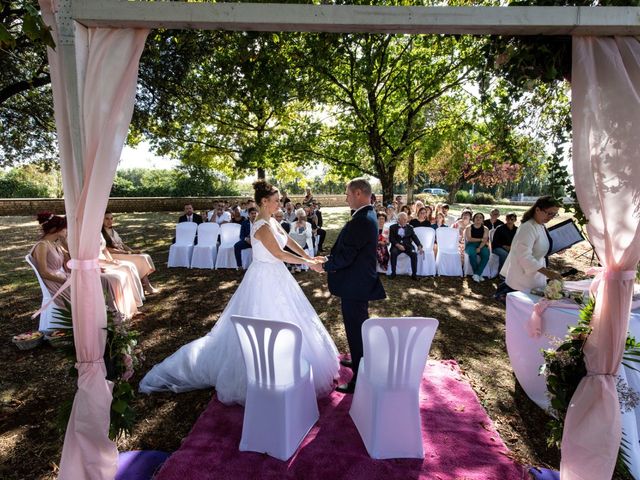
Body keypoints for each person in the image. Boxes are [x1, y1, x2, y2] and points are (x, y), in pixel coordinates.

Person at [140, 180, 339, 405]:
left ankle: (284, 362)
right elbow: (279, 253)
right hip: (264, 277)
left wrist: (309, 256)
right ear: (264, 202)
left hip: (278, 276)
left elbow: (289, 241)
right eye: (275, 201)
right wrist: (309, 264)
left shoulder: (271, 221)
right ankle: (262, 370)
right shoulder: (261, 226)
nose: (280, 205)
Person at [310, 178, 386, 394]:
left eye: (347, 194)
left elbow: (347, 256)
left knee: (356, 329)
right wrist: (326, 259)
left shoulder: (362, 219)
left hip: (355, 284)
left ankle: (359, 378)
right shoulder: (366, 215)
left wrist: (324, 267)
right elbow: (348, 249)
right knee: (358, 328)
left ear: (360, 194)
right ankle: (359, 358)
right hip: (358, 282)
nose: (345, 198)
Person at [497, 196, 562, 298]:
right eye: (549, 213)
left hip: (534, 276)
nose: (551, 217)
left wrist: (557, 248)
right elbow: (524, 256)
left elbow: (540, 246)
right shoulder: (528, 227)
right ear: (537, 209)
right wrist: (548, 273)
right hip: (522, 279)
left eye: (554, 214)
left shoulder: (541, 224)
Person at [102, 212, 158, 295]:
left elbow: (123, 244)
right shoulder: (101, 233)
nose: (109, 221)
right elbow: (108, 249)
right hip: (113, 255)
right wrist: (125, 252)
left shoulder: (113, 231)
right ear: (101, 220)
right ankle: (147, 285)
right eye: (107, 218)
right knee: (141, 259)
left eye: (111, 218)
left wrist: (132, 251)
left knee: (145, 256)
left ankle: (144, 283)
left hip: (122, 252)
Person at [30, 213, 71, 308]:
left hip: (61, 277)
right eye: (64, 228)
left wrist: (64, 242)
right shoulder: (42, 246)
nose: (66, 231)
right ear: (54, 229)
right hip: (53, 282)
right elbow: (43, 273)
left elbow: (69, 261)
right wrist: (65, 280)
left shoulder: (55, 244)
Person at [388, 212, 424, 280]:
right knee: (393, 253)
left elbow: (414, 237)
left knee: (414, 254)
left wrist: (419, 246)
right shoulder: (392, 227)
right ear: (398, 220)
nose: (405, 220)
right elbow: (391, 239)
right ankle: (393, 273)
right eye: (403, 219)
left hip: (408, 246)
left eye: (406, 219)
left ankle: (414, 274)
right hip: (396, 246)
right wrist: (398, 245)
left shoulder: (410, 227)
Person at [464, 212, 490, 283]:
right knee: (472, 253)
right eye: (477, 217)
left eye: (480, 217)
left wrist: (479, 248)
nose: (478, 219)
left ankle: (476, 274)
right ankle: (478, 274)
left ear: (482, 220)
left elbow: (484, 240)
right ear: (473, 219)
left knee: (486, 255)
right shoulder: (469, 227)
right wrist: (480, 239)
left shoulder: (485, 229)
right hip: (471, 244)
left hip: (481, 244)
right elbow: (469, 239)